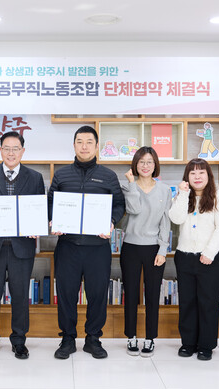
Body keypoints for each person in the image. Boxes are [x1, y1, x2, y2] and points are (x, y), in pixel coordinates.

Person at [48, 125, 125, 359]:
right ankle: (67, 339)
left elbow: (119, 205)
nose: (84, 146)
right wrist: (52, 220)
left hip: (97, 248)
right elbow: (50, 203)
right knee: (66, 294)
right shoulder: (61, 175)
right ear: (74, 145)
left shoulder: (108, 176)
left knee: (98, 295)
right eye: (80, 142)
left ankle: (93, 339)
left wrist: (111, 221)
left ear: (97, 146)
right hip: (68, 246)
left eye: (89, 142)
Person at [0, 131, 45, 360]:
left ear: (23, 151)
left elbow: (40, 208)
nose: (11, 153)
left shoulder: (35, 177)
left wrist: (37, 225)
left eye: (15, 148)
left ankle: (19, 341)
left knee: (20, 296)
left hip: (21, 247)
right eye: (6, 148)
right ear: (0, 150)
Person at [169, 158, 219, 361]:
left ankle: (206, 345)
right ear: (187, 177)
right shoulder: (182, 197)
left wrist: (209, 252)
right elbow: (176, 218)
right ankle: (188, 343)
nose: (197, 177)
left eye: (201, 172)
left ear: (208, 175)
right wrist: (183, 194)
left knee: (208, 303)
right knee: (187, 302)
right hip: (184, 257)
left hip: (210, 259)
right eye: (192, 173)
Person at [120, 146, 171, 357]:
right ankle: (131, 336)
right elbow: (134, 209)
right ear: (135, 164)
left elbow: (166, 223)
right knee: (131, 294)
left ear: (155, 164)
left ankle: (150, 338)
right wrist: (132, 185)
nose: (145, 165)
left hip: (154, 249)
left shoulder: (165, 190)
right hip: (130, 247)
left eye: (149, 162)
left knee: (152, 294)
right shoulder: (128, 187)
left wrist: (163, 250)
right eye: (141, 162)